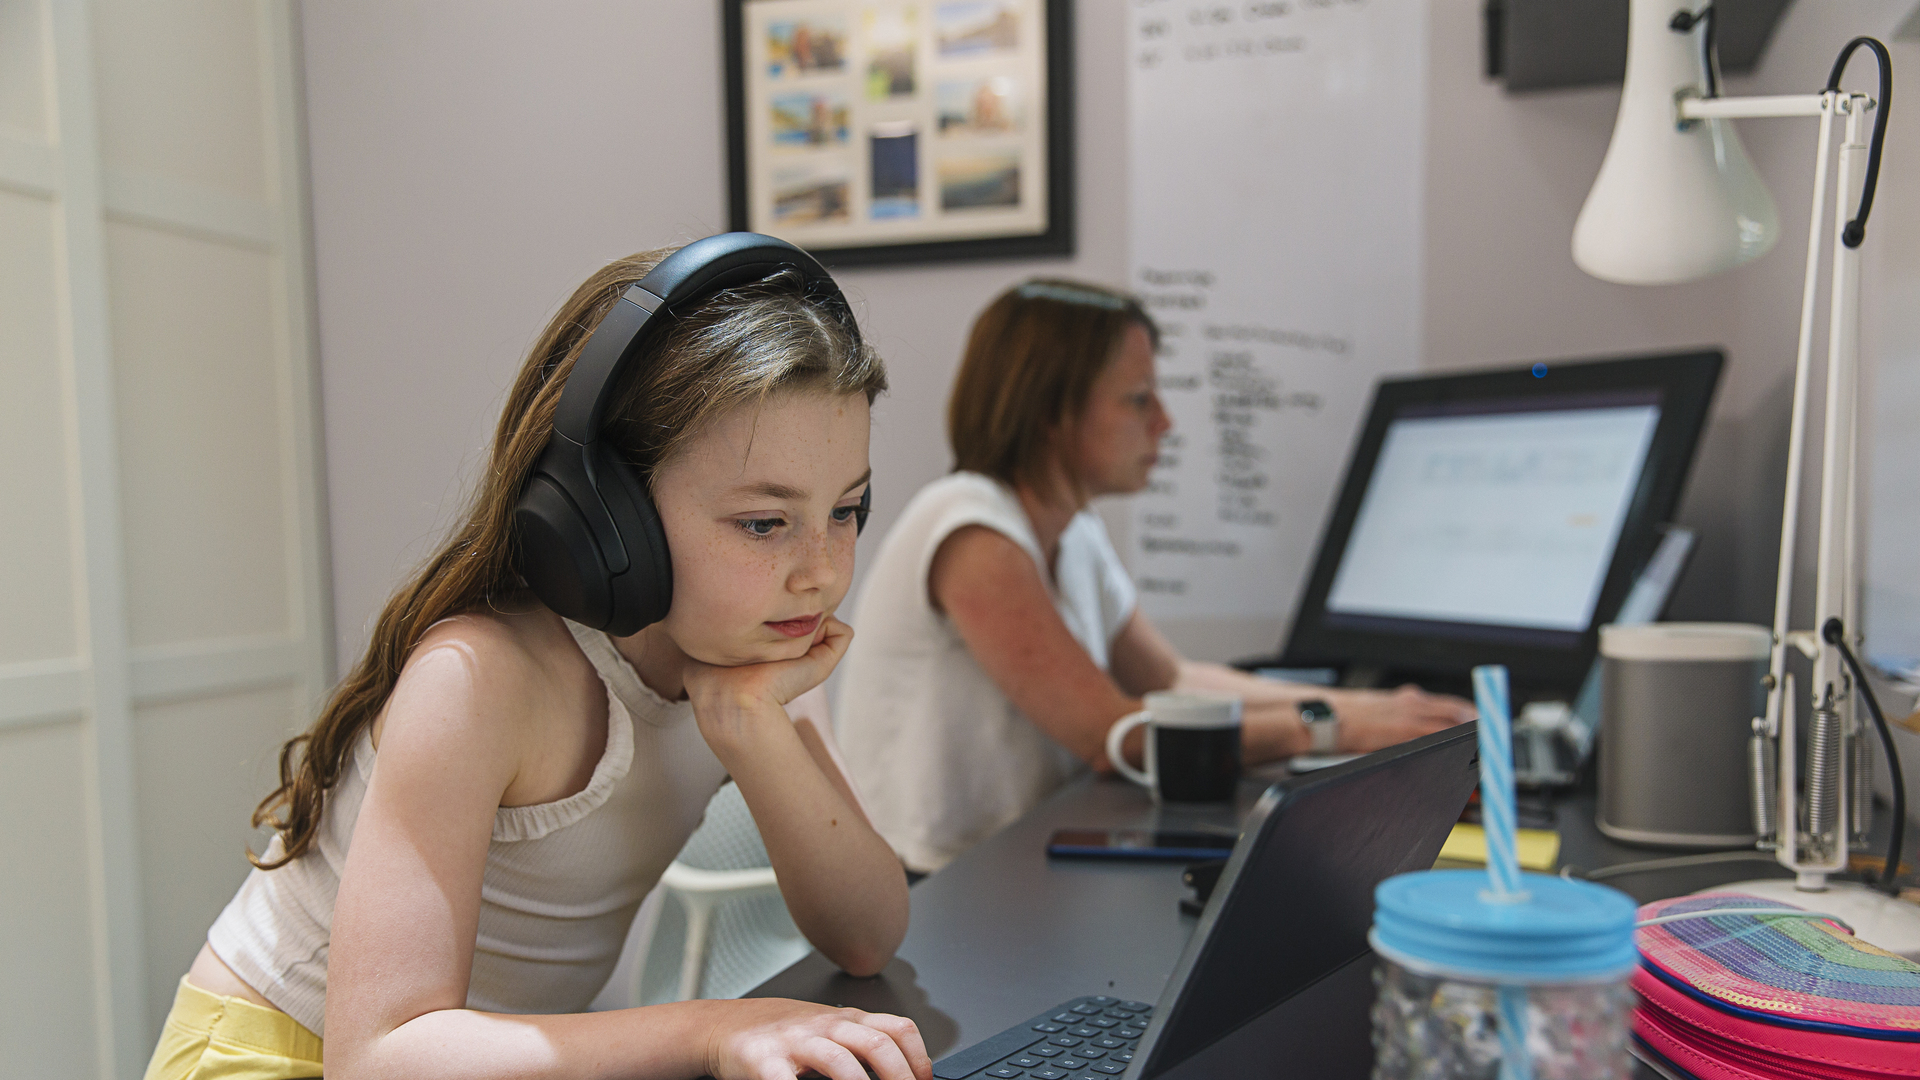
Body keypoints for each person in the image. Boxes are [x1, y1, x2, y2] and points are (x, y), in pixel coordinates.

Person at [146, 245, 931, 1080]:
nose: (821, 569)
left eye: (846, 509)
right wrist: (709, 1028)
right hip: (275, 1054)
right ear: (608, 514)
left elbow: (867, 933)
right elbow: (376, 1056)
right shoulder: (483, 680)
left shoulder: (755, 655)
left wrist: (750, 728)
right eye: (763, 523)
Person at [836, 279, 1475, 875]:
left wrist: (1368, 708)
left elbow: (1171, 680)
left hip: (1020, 861)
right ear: (1052, 412)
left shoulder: (1073, 531)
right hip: (934, 886)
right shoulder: (969, 529)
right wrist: (1336, 730)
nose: (1164, 423)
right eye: (1139, 399)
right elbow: (1111, 734)